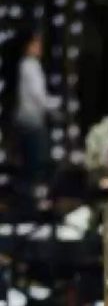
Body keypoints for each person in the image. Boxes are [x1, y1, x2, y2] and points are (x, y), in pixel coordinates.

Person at [12, 31, 57, 198]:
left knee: (30, 159)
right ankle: (32, 197)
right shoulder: (30, 65)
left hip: (29, 118)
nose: (40, 48)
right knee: (35, 159)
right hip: (31, 120)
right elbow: (38, 95)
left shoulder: (27, 65)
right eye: (36, 44)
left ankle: (29, 195)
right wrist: (54, 105)